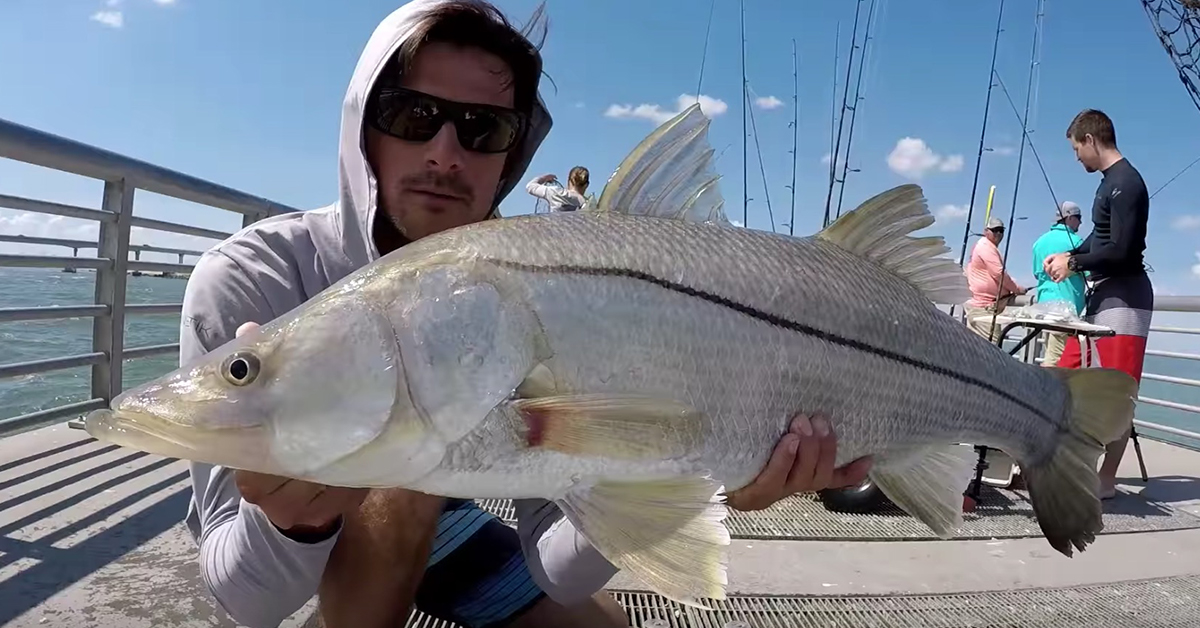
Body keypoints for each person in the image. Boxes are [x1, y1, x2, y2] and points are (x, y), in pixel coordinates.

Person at [177, 1, 872, 627]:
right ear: (363, 124)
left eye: (484, 129)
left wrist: (703, 475)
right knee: (407, 460)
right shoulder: (251, 277)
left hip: (453, 515)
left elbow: (558, 570)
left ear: (514, 153)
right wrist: (291, 523)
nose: (445, 153)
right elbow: (248, 601)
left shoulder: (548, 285)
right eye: (411, 116)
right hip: (351, 537)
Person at [1043, 108, 1152, 500]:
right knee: (1066, 376)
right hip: (1103, 294)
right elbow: (1098, 239)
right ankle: (1062, 462)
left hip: (1127, 297)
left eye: (1076, 149)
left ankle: (1105, 480)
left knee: (1116, 391)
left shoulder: (1127, 182)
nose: (1076, 157)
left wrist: (1073, 263)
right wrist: (1068, 257)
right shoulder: (1108, 184)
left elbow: (1121, 250)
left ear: (1090, 140)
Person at [1030, 201, 1087, 366]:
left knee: (1051, 351)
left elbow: (1037, 273)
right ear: (1069, 218)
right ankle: (1043, 391)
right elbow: (1089, 275)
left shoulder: (1039, 243)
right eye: (1078, 217)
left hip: (1044, 309)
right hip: (1065, 312)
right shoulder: (1077, 243)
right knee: (1056, 362)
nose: (1081, 222)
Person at [962, 216, 1027, 343]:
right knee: (992, 349)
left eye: (1001, 230)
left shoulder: (984, 246)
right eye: (995, 230)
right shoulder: (986, 247)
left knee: (978, 348)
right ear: (986, 231)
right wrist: (1017, 289)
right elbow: (998, 274)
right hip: (983, 308)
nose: (998, 234)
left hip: (983, 306)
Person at [526, 165, 591, 211]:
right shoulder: (586, 204)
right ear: (586, 185)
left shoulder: (554, 192)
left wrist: (544, 178)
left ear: (568, 181)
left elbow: (530, 186)